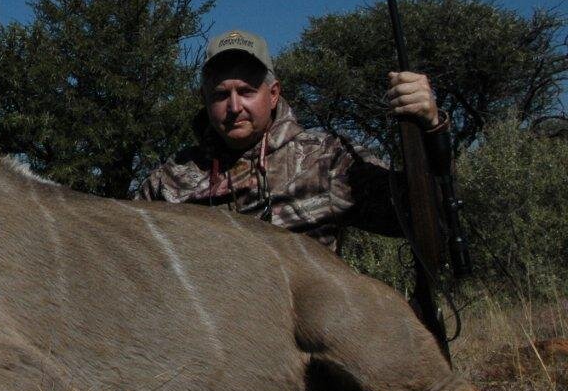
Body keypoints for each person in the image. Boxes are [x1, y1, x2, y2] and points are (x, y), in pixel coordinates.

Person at [138, 29, 452, 251]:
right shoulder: (168, 182)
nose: (234, 107)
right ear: (203, 98)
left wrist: (431, 129)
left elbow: (424, 221)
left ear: (273, 94)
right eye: (221, 95)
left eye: (247, 92)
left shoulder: (326, 160)